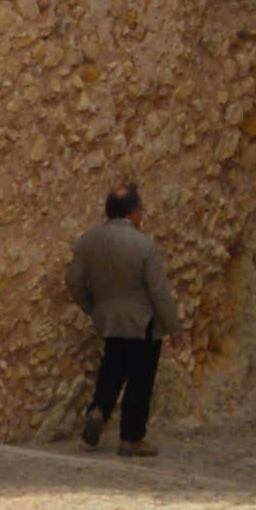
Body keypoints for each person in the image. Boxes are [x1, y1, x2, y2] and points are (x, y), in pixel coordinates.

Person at [69, 182, 183, 453]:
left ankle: (98, 410)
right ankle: (131, 437)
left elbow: (73, 280)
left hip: (108, 319)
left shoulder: (88, 241)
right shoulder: (143, 245)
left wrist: (92, 307)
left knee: (112, 370)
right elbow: (158, 290)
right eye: (139, 210)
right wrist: (174, 327)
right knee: (140, 379)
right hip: (142, 322)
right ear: (132, 212)